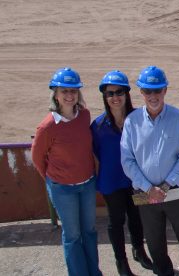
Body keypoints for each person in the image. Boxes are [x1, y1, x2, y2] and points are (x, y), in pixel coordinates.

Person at [120, 66, 179, 276]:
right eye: (148, 91)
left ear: (165, 90)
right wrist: (149, 188)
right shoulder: (132, 122)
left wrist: (165, 186)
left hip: (176, 191)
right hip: (145, 194)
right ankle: (163, 271)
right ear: (141, 93)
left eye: (157, 90)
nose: (153, 96)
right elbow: (128, 160)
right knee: (154, 238)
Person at [32, 67, 102, 276]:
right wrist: (55, 179)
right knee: (72, 236)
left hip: (87, 184)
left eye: (73, 91)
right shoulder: (47, 127)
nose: (70, 96)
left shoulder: (84, 116)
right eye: (65, 91)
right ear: (55, 93)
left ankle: (93, 271)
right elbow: (37, 158)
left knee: (89, 231)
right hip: (63, 189)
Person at [91, 70, 153, 276]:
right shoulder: (98, 126)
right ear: (105, 97)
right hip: (111, 183)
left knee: (137, 217)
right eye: (110, 93)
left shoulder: (138, 119)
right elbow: (97, 152)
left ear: (127, 94)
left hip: (137, 181)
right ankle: (121, 262)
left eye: (119, 92)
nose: (115, 97)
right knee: (116, 221)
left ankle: (139, 250)